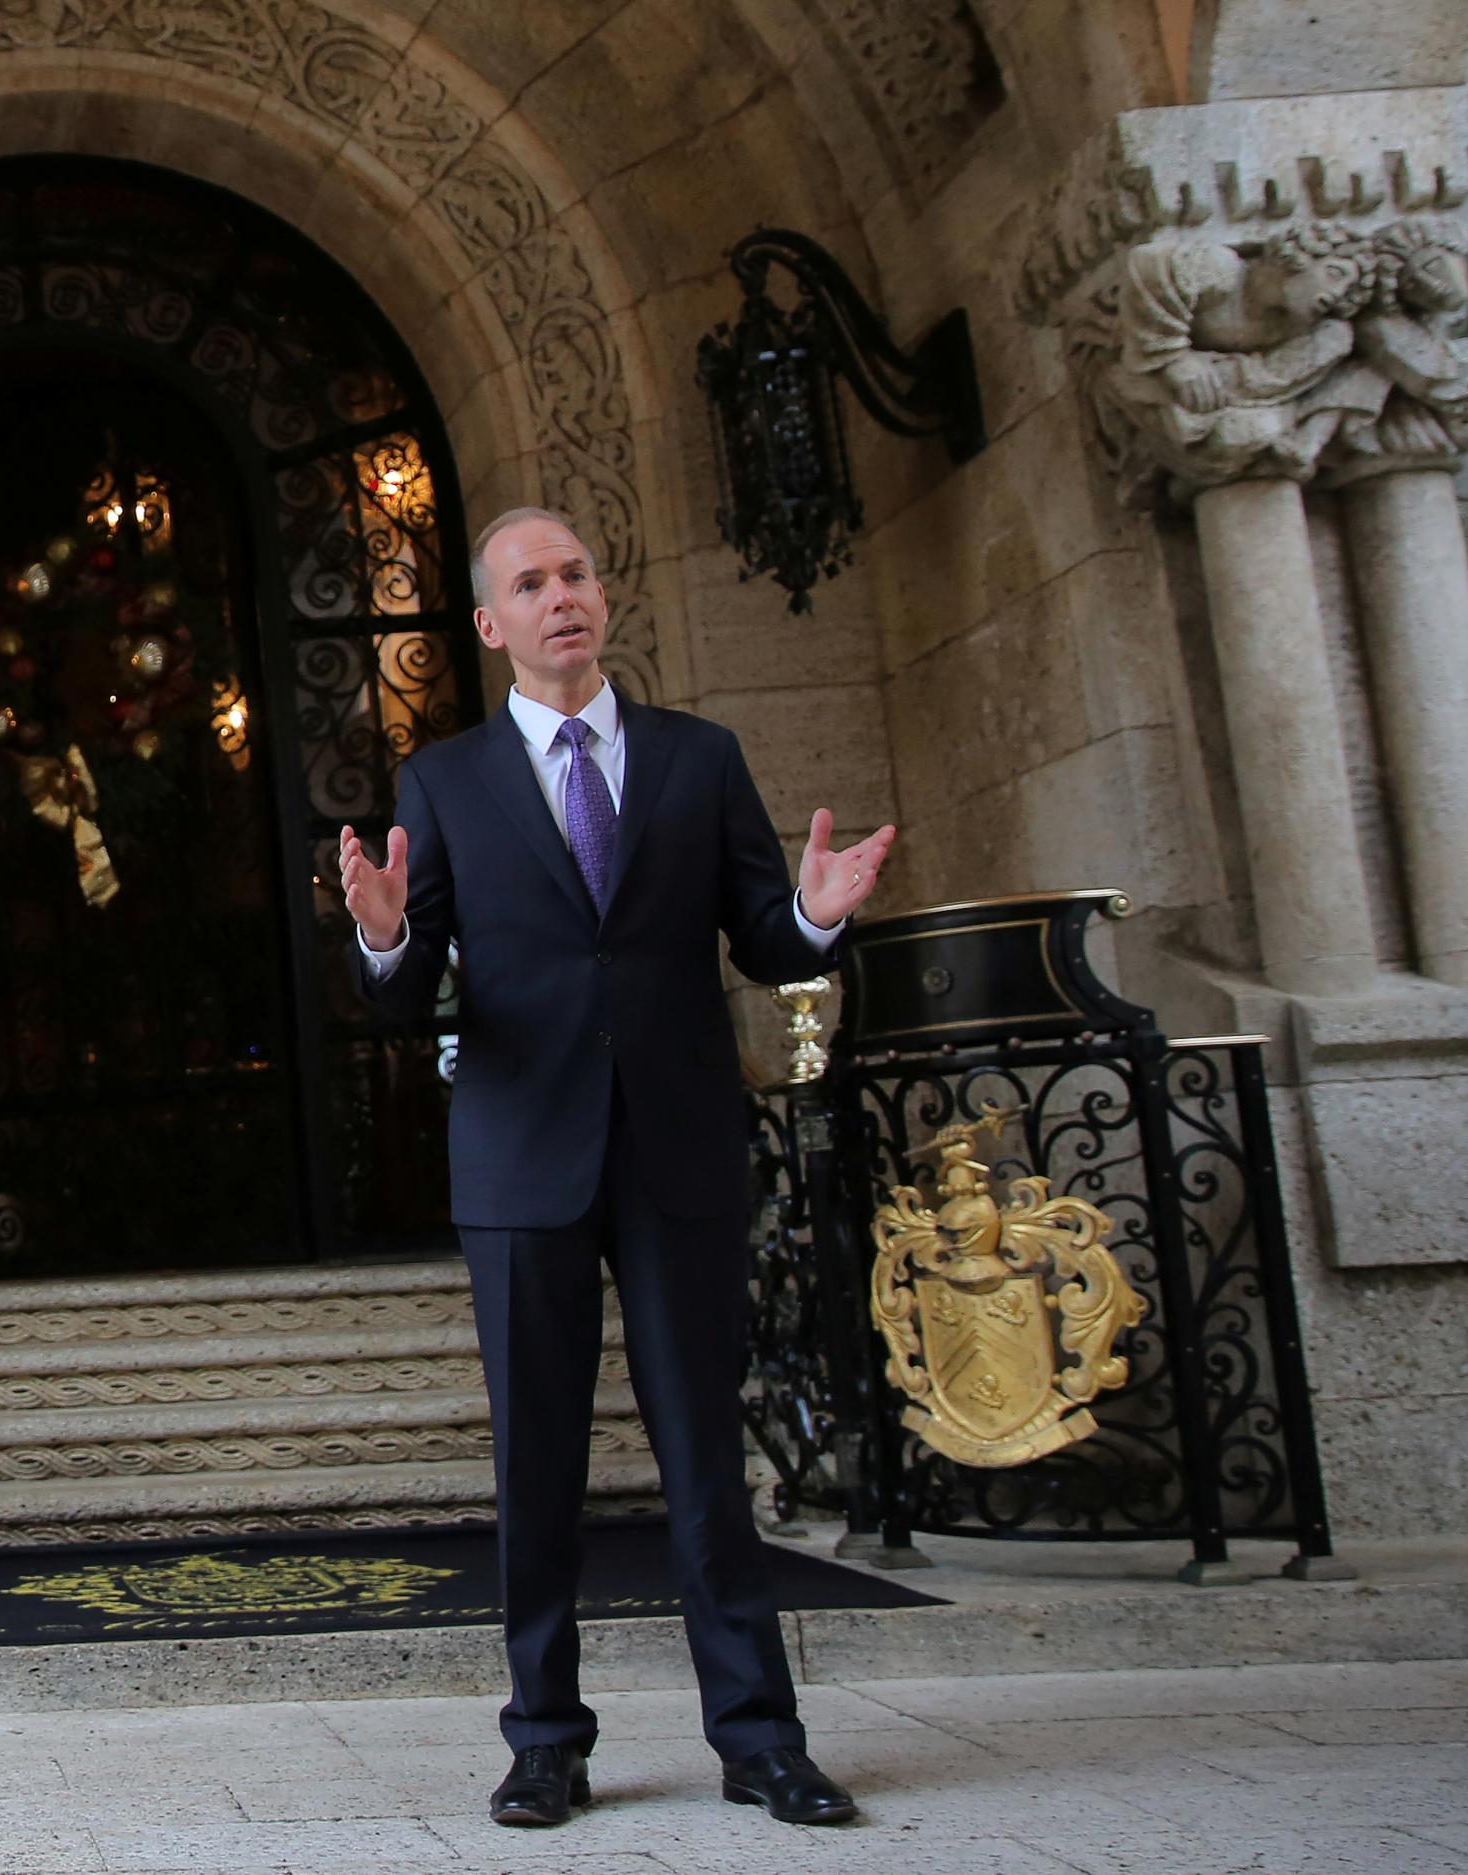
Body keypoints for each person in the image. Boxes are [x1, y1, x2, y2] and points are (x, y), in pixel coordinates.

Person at [338, 507, 895, 1829]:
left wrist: (813, 908)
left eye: (576, 573)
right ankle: (545, 1740)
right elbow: (401, 999)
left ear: (602, 593)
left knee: (706, 1455)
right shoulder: (447, 781)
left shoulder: (700, 760)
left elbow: (769, 943)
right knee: (538, 1464)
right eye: (529, 584)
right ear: (490, 624)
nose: (561, 597)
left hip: (678, 1151)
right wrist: (378, 942)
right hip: (521, 1156)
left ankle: (760, 1740)